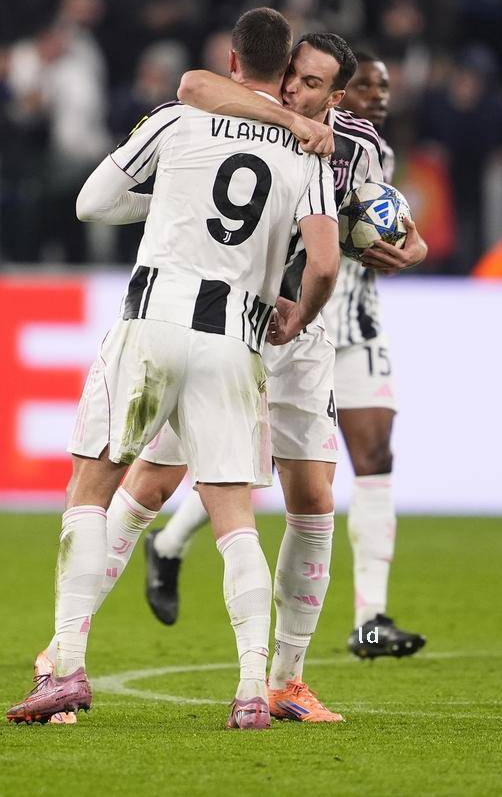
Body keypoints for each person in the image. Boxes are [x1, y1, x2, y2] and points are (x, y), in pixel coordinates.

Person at [4, 8, 340, 731]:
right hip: (235, 341)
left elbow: (91, 203)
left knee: (91, 489)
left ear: (232, 59)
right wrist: (298, 316)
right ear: (285, 70)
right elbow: (324, 262)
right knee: (235, 521)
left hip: (152, 324)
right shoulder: (307, 153)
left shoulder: (176, 119)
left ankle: (66, 668)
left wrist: (169, 200)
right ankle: (251, 690)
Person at [145, 46, 430, 663]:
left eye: (383, 90)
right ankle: (166, 544)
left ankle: (370, 621)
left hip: (351, 324)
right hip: (276, 319)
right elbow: (194, 86)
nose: (377, 99)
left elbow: (389, 222)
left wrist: (415, 247)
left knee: (363, 462)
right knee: (240, 465)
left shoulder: (369, 149)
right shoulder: (271, 122)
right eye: (369, 88)